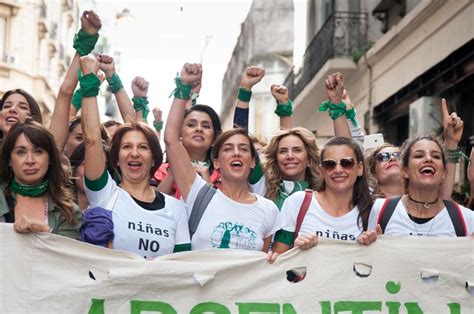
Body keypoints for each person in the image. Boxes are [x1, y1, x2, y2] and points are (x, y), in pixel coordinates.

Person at [78, 55, 190, 258]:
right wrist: (89, 85)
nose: (134, 153)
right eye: (127, 147)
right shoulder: (104, 194)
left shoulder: (176, 208)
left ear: (155, 158)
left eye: (143, 147)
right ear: (117, 158)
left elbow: (181, 267)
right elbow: (92, 139)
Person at [164, 63, 283, 252]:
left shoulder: (268, 210)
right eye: (228, 148)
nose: (236, 153)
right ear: (217, 161)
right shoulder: (199, 193)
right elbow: (171, 139)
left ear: (253, 161)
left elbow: (264, 265)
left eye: (243, 149)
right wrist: (184, 87)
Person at [270, 137, 374, 258]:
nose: (338, 170)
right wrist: (297, 251)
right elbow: (277, 258)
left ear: (360, 168)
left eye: (347, 163)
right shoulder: (297, 202)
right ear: (321, 171)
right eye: (329, 164)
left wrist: (373, 246)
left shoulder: (374, 210)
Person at [368, 135, 473, 236]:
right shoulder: (380, 209)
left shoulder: (466, 218)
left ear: (444, 172)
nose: (428, 159)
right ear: (404, 170)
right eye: (419, 156)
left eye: (436, 156)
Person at [0, 120, 81, 239]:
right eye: (21, 152)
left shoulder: (68, 211)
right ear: (9, 160)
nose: (30, 160)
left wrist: (46, 233)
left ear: (50, 159)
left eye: (38, 152)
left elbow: (67, 256)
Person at [155, 104, 222, 197]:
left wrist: (207, 183)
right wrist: (174, 171)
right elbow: (151, 206)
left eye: (206, 126)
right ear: (179, 134)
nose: (199, 129)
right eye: (191, 125)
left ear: (214, 140)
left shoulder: (222, 176)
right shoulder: (160, 171)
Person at [262, 127, 321, 209]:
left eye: (297, 150)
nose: (290, 156)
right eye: (283, 151)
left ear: (309, 159)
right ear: (275, 158)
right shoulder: (263, 188)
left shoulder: (323, 192)